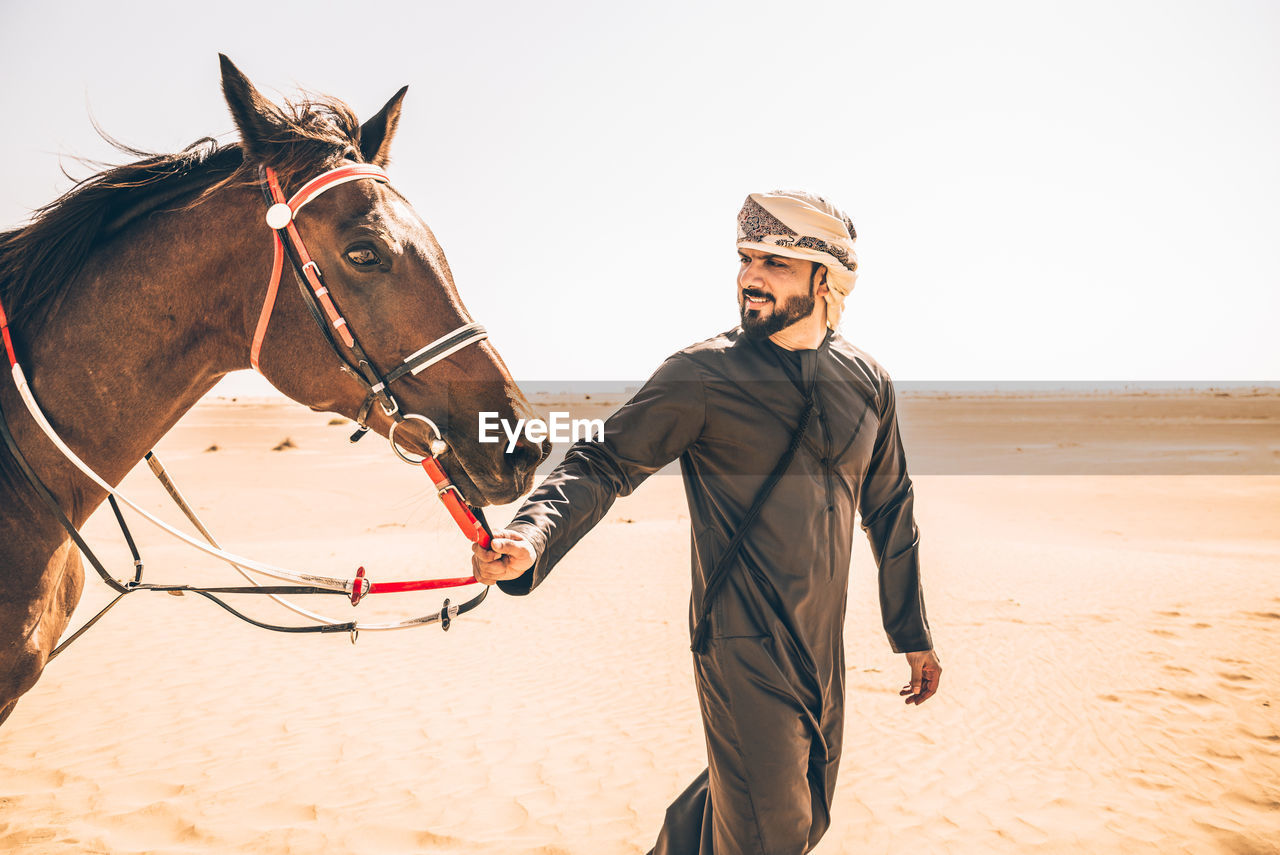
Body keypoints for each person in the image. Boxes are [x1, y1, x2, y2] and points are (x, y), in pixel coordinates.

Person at [472, 189, 941, 854]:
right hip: (739, 639)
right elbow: (604, 460)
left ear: (826, 277)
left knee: (801, 816)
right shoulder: (703, 374)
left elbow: (891, 510)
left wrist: (912, 632)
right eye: (747, 258)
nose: (751, 275)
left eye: (775, 262)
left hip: (821, 648)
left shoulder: (867, 381)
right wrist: (532, 533)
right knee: (770, 834)